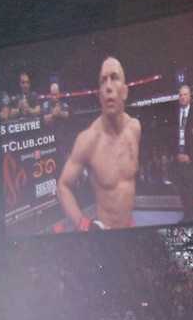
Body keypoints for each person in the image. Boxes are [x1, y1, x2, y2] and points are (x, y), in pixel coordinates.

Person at [56, 57, 143, 231]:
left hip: (131, 227)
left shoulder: (135, 128)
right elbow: (62, 186)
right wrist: (84, 225)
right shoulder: (88, 140)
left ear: (125, 92)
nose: (108, 86)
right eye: (103, 81)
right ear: (99, 95)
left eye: (114, 77)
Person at [170, 84, 193, 223]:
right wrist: (176, 154)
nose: (183, 97)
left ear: (190, 96)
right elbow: (171, 138)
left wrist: (190, 156)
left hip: (191, 160)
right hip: (178, 158)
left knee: (192, 191)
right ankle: (186, 217)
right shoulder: (175, 114)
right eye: (181, 95)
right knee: (183, 191)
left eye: (185, 94)